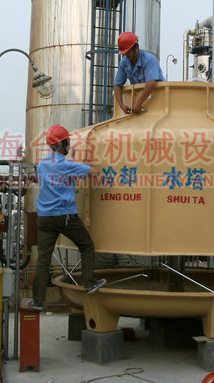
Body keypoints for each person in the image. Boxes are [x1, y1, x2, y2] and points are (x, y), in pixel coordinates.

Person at [25, 124, 106, 311]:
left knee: (43, 260)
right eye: (67, 141)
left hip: (44, 217)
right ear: (63, 144)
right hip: (65, 215)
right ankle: (89, 283)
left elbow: (45, 181)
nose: (69, 143)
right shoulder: (67, 164)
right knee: (86, 246)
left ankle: (38, 301)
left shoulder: (43, 164)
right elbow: (94, 173)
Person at [113, 31, 164, 115]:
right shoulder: (124, 63)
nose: (126, 54)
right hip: (141, 100)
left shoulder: (149, 60)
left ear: (136, 47)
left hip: (158, 98)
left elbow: (151, 83)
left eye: (128, 51)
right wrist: (121, 105)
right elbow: (117, 86)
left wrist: (138, 103)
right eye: (125, 53)